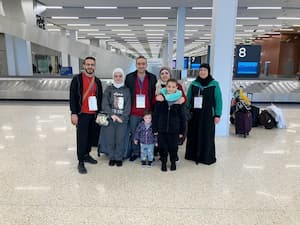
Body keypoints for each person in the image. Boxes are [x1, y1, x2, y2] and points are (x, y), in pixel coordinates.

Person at [69, 56, 103, 174]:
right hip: (82, 114)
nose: (90, 67)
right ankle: (81, 161)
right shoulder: (77, 79)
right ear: (84, 65)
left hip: (93, 114)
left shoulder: (97, 81)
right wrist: (73, 113)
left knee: (91, 137)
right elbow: (72, 97)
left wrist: (99, 114)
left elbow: (100, 98)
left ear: (95, 66)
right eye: (87, 64)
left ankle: (87, 154)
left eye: (92, 65)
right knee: (82, 138)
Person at [185, 63, 222, 165]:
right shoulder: (194, 84)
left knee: (207, 135)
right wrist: (186, 111)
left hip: (208, 115)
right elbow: (188, 98)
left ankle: (205, 157)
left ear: (208, 72)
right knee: (194, 134)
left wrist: (217, 114)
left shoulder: (214, 84)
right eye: (200, 70)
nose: (202, 72)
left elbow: (218, 100)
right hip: (195, 114)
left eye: (204, 70)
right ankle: (192, 155)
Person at [125, 55, 157, 161]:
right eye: (139, 64)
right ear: (136, 65)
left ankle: (148, 151)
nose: (141, 66)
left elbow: (153, 94)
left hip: (147, 112)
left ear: (146, 65)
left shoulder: (152, 77)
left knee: (148, 132)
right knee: (135, 132)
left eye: (143, 64)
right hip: (134, 111)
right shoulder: (129, 77)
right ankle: (135, 152)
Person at [99, 68, 131, 167]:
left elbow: (128, 105)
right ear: (113, 77)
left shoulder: (127, 90)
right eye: (116, 76)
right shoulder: (109, 89)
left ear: (123, 77)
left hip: (122, 120)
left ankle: (119, 157)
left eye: (120, 76)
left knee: (120, 139)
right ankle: (112, 157)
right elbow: (105, 104)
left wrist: (122, 117)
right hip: (110, 119)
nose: (118, 78)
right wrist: (112, 115)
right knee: (110, 139)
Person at [152, 79, 186, 172]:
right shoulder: (161, 99)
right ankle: (163, 162)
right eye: (169, 86)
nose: (171, 89)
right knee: (163, 147)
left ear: (177, 88)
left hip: (174, 130)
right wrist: (155, 129)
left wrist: (182, 131)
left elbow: (183, 117)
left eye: (173, 87)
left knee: (173, 147)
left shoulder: (179, 101)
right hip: (161, 129)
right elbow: (155, 115)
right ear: (166, 87)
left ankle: (173, 162)